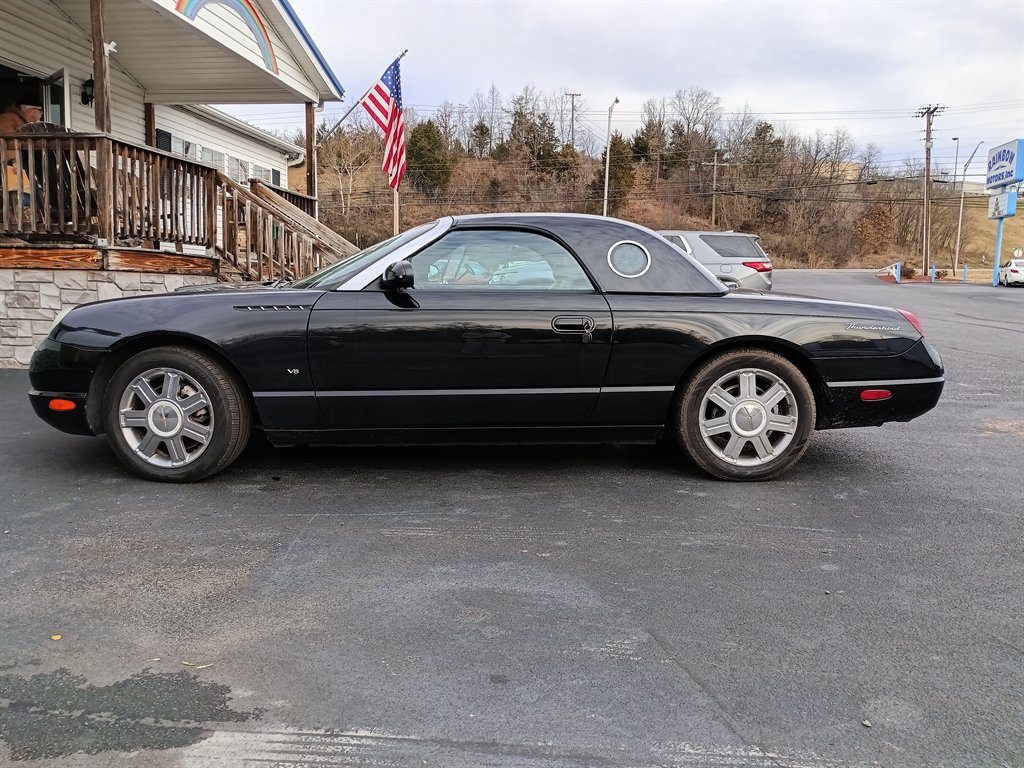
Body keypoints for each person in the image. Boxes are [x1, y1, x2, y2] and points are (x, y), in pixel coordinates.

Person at [1, 92, 44, 212]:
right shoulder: (8, 120)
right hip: (11, 167)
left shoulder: (16, 118)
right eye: (40, 111)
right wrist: (15, 161)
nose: (41, 115)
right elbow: (7, 144)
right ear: (31, 110)